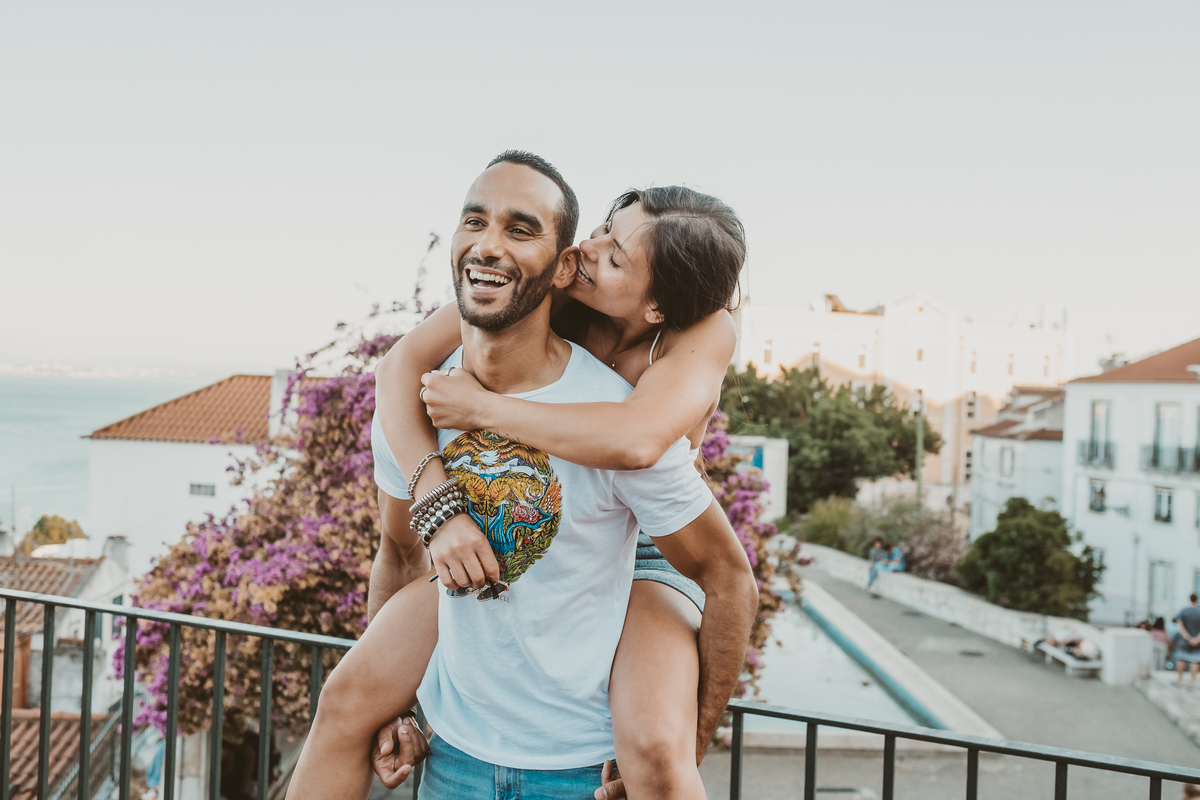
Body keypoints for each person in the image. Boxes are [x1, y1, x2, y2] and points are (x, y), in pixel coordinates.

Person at [287, 152, 758, 800]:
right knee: (348, 697)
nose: (591, 253)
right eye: (599, 232)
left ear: (656, 307)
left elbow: (637, 440)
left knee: (654, 752)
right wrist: (437, 501)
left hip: (650, 535)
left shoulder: (700, 332)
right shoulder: (542, 287)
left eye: (616, 256)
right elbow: (399, 368)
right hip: (535, 522)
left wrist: (481, 409)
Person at [1174, 594, 1200, 688]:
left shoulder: (1183, 610)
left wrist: (1187, 637)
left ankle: (1179, 679)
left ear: (1190, 599)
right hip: (1197, 642)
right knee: (1195, 661)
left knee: (1181, 659)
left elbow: (1179, 625)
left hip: (1184, 641)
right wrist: (1197, 639)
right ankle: (1192, 682)